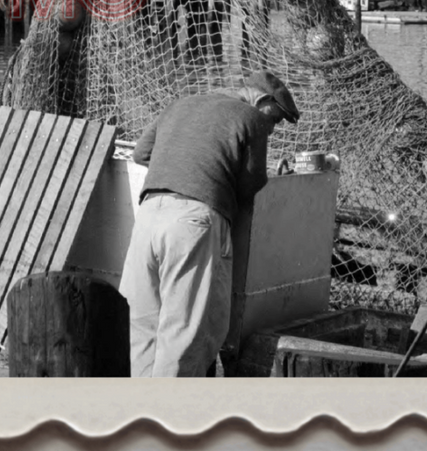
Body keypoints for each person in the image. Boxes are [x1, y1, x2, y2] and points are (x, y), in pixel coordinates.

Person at [119, 70, 300, 376]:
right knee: (183, 335)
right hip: (193, 223)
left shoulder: (182, 103)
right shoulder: (251, 118)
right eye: (276, 118)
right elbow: (251, 184)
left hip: (148, 214)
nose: (273, 128)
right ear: (262, 99)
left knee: (143, 330)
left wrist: (187, 164)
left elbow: (141, 153)